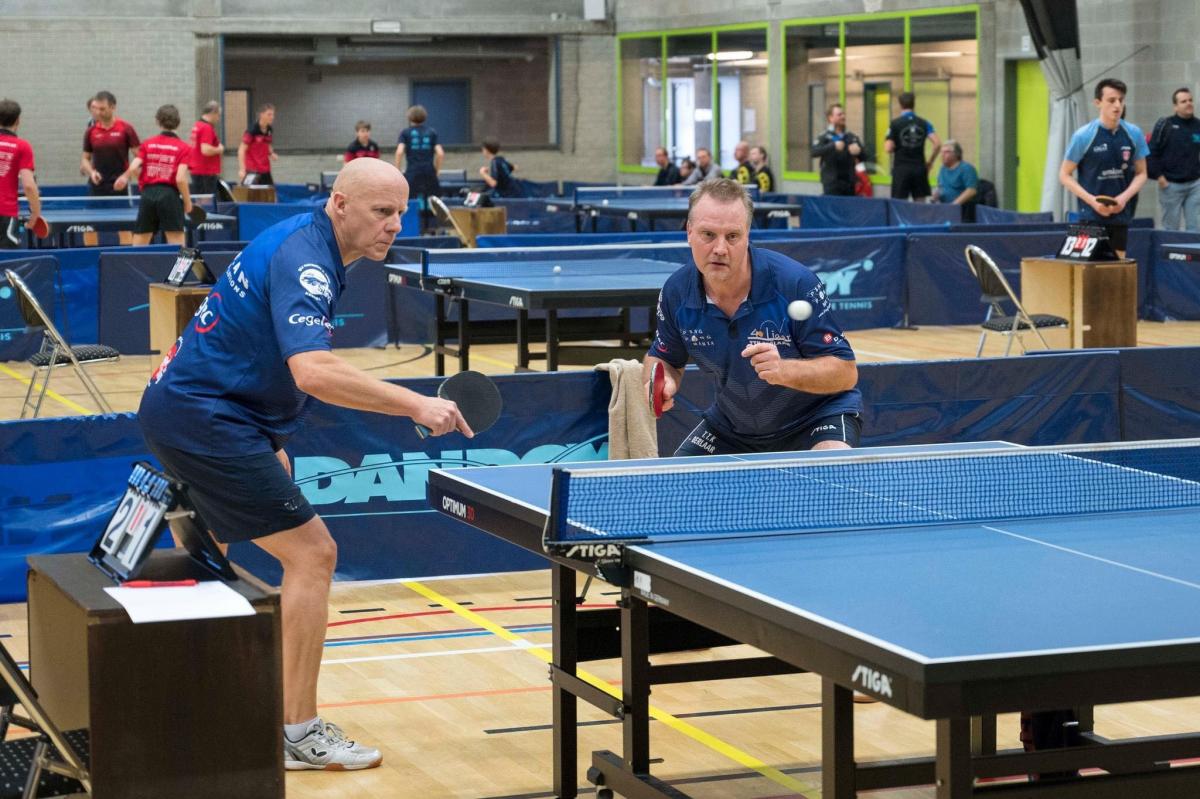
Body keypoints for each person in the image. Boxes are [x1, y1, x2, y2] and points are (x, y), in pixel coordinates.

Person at [137, 158, 470, 772]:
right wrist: (416, 404)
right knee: (313, 554)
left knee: (213, 551)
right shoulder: (308, 261)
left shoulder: (306, 239)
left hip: (194, 408)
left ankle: (189, 701)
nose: (395, 225)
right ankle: (298, 732)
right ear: (340, 204)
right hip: (207, 418)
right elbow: (313, 371)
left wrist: (267, 433)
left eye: (401, 212)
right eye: (382, 211)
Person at [644, 178, 862, 457]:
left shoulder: (795, 283)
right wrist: (662, 381)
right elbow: (664, 358)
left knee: (831, 467)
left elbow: (846, 373)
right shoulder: (676, 293)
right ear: (689, 232)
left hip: (817, 418)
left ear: (747, 235)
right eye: (708, 234)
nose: (720, 248)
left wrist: (784, 371)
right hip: (733, 428)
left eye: (732, 236)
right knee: (676, 481)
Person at [1059, 77, 1148, 256]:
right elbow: (1064, 175)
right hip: (1091, 216)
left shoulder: (1134, 133)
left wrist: (1123, 199)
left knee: (1117, 266)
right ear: (1098, 103)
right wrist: (1092, 201)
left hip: (1120, 216)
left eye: (1121, 100)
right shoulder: (1083, 136)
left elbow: (1142, 173)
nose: (1117, 105)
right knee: (1090, 268)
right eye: (1111, 100)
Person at [114, 104, 194, 246]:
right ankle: (180, 262)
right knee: (177, 243)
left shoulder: (148, 144)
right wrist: (188, 202)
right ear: (178, 122)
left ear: (157, 121)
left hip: (148, 195)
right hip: (170, 196)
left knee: (140, 242)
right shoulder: (184, 147)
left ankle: (134, 261)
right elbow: (180, 179)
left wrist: (125, 177)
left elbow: (134, 166)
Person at [1148, 87, 1200, 231]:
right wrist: (1159, 177)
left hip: (1195, 185)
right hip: (1170, 185)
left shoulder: (1198, 125)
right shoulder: (1165, 125)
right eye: (1183, 101)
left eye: (1190, 100)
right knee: (1171, 229)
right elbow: (1151, 152)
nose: (1188, 103)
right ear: (1175, 107)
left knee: (1194, 228)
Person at [81, 90, 140, 196]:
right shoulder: (91, 131)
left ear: (113, 107)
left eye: (102, 109)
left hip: (121, 185)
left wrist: (126, 176)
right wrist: (91, 172)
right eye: (96, 109)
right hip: (97, 185)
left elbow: (140, 157)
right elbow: (85, 158)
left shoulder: (126, 128)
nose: (98, 112)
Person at [0, 99, 41, 249]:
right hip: (5, 213)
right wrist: (35, 214)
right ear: (18, 120)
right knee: (7, 261)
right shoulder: (22, 146)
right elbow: (29, 185)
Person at [884, 92, 940, 201]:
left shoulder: (894, 124)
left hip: (901, 169)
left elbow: (888, 148)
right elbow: (937, 144)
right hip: (919, 168)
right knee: (920, 204)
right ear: (914, 104)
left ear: (900, 105)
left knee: (899, 204)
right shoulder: (924, 123)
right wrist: (930, 162)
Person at [395, 106, 442, 232]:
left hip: (412, 172)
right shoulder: (432, 132)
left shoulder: (405, 133)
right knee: (432, 201)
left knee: (411, 201)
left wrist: (398, 171)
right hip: (429, 171)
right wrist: (437, 170)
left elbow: (399, 152)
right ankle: (433, 229)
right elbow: (440, 153)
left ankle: (413, 230)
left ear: (409, 117)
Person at [812, 103, 870, 196]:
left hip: (849, 184)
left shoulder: (851, 137)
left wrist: (859, 152)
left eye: (843, 114)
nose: (843, 117)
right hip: (832, 183)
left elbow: (865, 157)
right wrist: (832, 146)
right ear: (830, 118)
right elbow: (813, 152)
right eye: (839, 115)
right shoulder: (825, 136)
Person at [932, 140, 979, 220]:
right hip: (944, 208)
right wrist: (935, 194)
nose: (942, 155)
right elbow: (940, 186)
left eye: (947, 152)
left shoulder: (966, 168)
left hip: (962, 210)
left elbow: (971, 191)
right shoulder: (942, 169)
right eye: (941, 152)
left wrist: (953, 206)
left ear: (957, 154)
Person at [187, 100, 224, 197]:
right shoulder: (206, 128)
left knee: (200, 199)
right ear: (213, 113)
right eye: (218, 115)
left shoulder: (197, 125)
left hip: (197, 170)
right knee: (207, 201)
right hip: (206, 172)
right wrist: (219, 149)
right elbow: (206, 150)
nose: (218, 119)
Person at [238, 103, 277, 186]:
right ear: (261, 115)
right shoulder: (252, 130)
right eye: (269, 114)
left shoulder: (269, 130)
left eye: (273, 114)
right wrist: (242, 169)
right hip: (252, 170)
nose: (272, 117)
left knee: (269, 192)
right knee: (250, 193)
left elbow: (267, 144)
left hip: (265, 169)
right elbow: (241, 150)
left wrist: (271, 153)